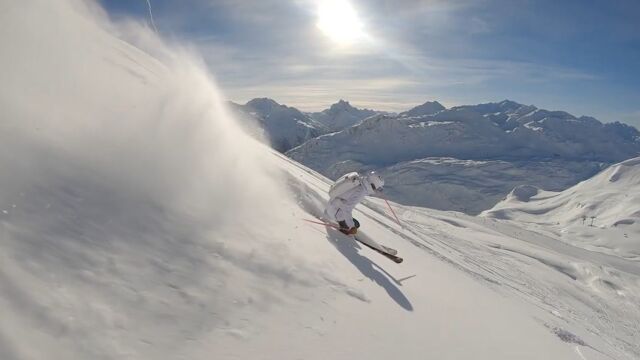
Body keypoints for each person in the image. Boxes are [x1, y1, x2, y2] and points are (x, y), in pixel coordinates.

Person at [324, 171, 384, 235]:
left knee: (356, 223)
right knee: (355, 226)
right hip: (336, 213)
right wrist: (352, 227)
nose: (376, 190)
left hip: (331, 206)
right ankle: (343, 234)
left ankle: (342, 223)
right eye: (377, 188)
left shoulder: (359, 181)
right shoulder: (361, 191)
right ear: (374, 184)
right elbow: (346, 208)